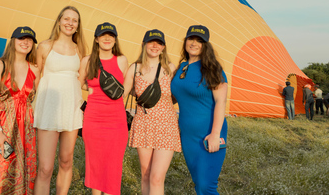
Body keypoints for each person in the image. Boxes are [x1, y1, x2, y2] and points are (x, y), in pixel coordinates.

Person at [0, 26, 40, 195]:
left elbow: (38, 101)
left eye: (29, 40)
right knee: (0, 169)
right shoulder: (0, 65)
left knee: (26, 170)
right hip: (5, 126)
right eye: (21, 38)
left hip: (27, 129)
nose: (25, 42)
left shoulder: (34, 69)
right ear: (13, 41)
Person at [33, 6, 87, 195]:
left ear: (78, 26)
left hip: (71, 109)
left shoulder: (79, 49)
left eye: (74, 20)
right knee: (45, 167)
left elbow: (81, 80)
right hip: (48, 108)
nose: (70, 23)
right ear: (59, 21)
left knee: (66, 161)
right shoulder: (45, 46)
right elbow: (36, 77)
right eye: (67, 19)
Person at [171, 25, 228, 195]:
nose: (194, 43)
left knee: (206, 185)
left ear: (206, 45)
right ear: (185, 41)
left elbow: (220, 102)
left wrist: (215, 134)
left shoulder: (212, 69)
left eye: (199, 41)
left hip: (209, 133)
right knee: (198, 183)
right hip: (188, 136)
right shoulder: (181, 68)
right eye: (191, 39)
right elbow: (174, 96)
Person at [123, 29, 181, 195]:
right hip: (143, 124)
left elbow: (181, 94)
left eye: (159, 43)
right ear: (144, 44)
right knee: (146, 174)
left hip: (166, 126)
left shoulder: (170, 68)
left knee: (156, 177)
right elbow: (122, 94)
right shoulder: (134, 68)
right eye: (151, 42)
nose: (155, 46)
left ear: (163, 47)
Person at [78, 22, 129, 195]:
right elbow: (78, 84)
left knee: (113, 166)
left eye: (111, 35)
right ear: (97, 39)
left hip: (116, 120)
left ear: (115, 40)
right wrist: (89, 88)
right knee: (96, 165)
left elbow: (123, 89)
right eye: (103, 35)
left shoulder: (121, 60)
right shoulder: (88, 60)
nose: (107, 38)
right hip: (93, 120)